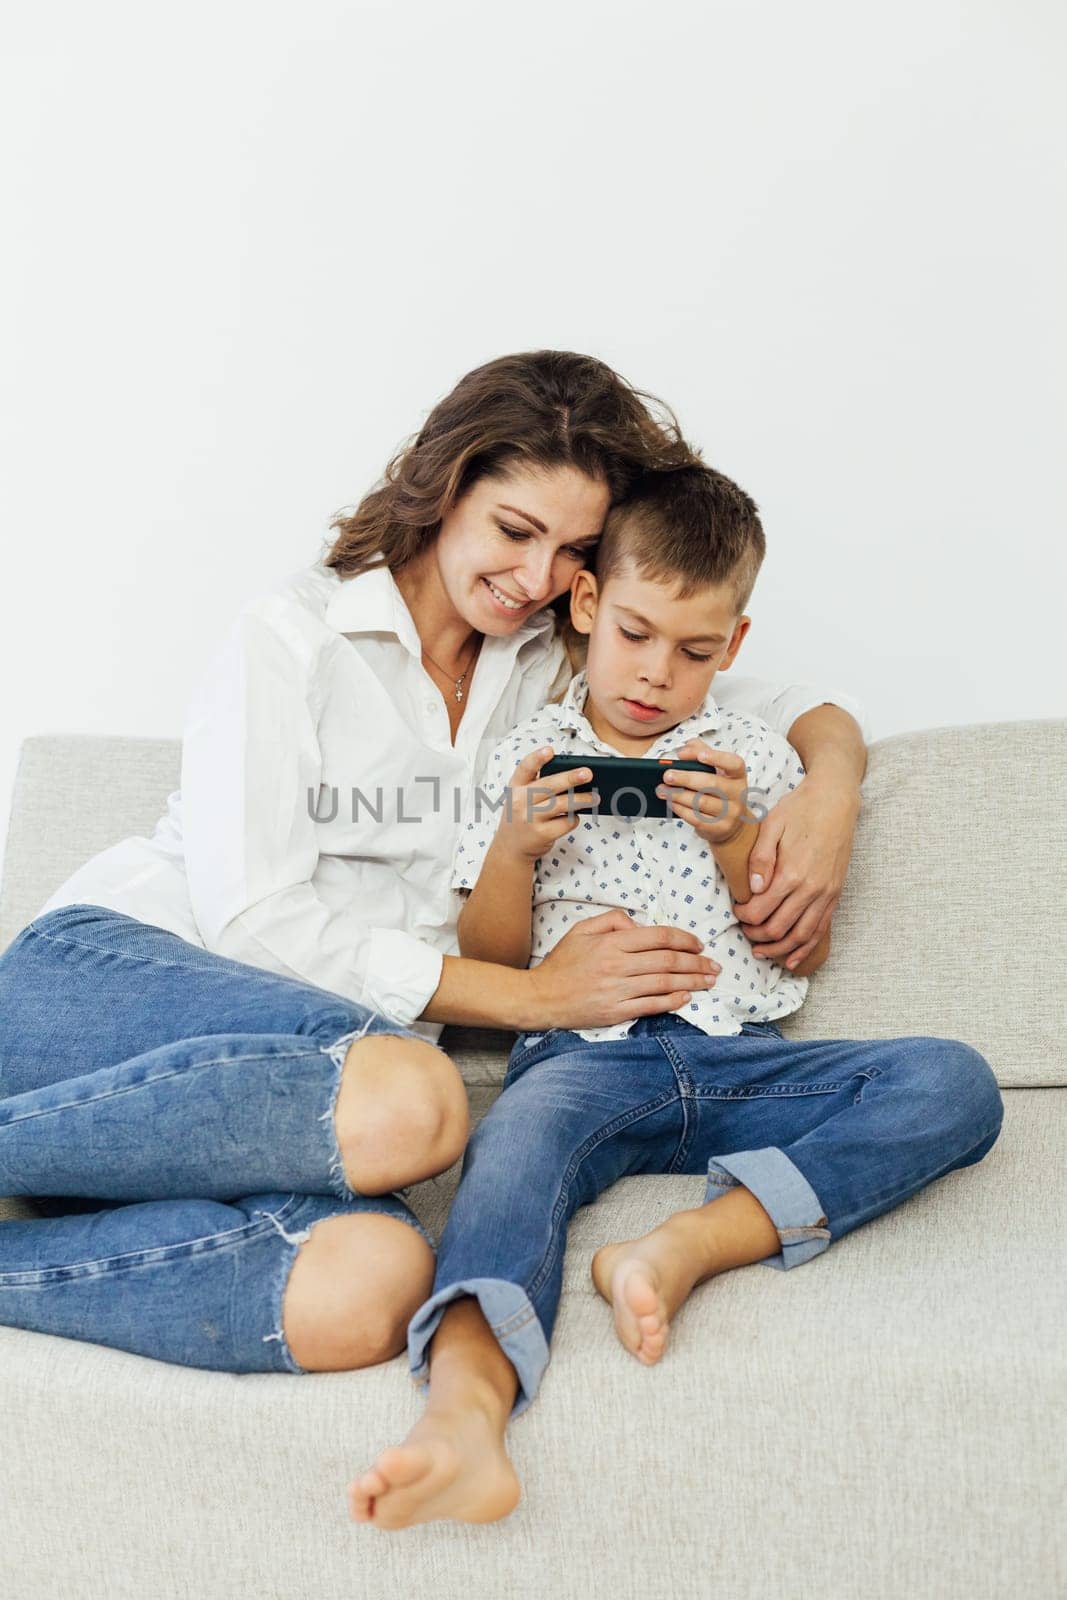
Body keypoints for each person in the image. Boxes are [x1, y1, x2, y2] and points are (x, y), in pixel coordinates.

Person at [0, 351, 865, 1388]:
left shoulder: (551, 662)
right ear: (444, 484)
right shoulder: (293, 636)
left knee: (372, 1282)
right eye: (512, 529)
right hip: (106, 983)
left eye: (571, 551)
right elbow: (252, 923)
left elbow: (751, 697)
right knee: (417, 1100)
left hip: (320, 1086)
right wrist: (528, 995)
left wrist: (830, 790)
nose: (536, 576)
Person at [349, 463, 1004, 1531]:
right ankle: (465, 1411)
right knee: (510, 1146)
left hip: (740, 1057)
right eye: (637, 635)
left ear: (733, 647)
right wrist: (514, 848)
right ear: (590, 606)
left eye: (695, 651)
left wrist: (740, 834)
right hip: (579, 1066)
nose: (657, 675)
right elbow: (488, 964)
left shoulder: (749, 755)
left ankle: (687, 1244)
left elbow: (795, 947)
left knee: (953, 1080)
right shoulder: (526, 752)